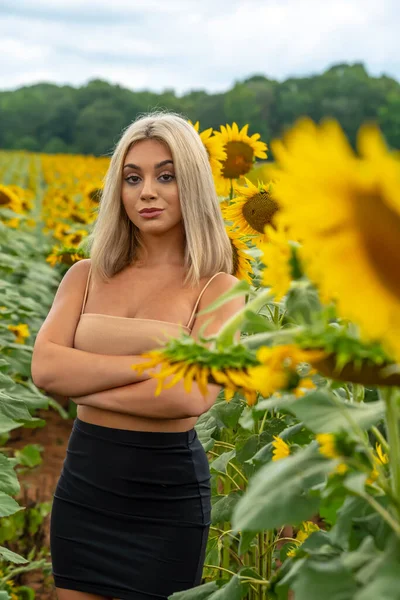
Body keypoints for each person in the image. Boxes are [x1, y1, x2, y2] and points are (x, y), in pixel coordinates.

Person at [31, 111, 244, 600]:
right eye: (133, 178)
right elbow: (45, 369)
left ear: (191, 184)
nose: (147, 191)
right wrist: (153, 371)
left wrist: (85, 382)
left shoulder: (220, 289)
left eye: (165, 176)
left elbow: (190, 396)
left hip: (165, 499)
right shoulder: (84, 276)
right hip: (85, 486)